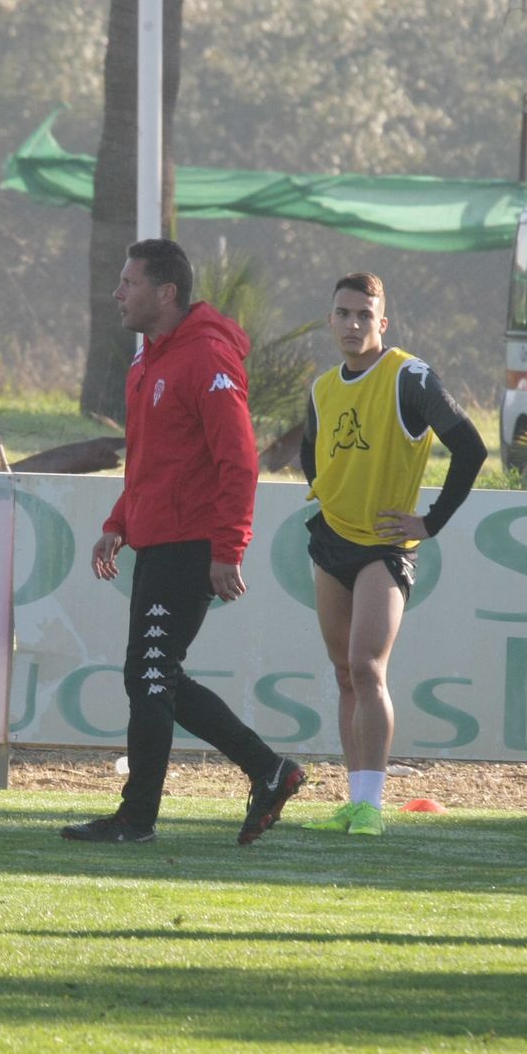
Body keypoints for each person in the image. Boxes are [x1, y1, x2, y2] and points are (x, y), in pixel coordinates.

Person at [62, 238, 304, 846]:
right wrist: (119, 522)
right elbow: (153, 462)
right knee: (155, 675)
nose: (117, 293)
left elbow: (240, 462)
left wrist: (229, 548)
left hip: (192, 544)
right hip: (158, 541)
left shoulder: (206, 358)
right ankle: (268, 770)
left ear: (165, 293)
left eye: (128, 282)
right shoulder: (147, 362)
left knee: (149, 674)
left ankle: (137, 817)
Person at [299, 272, 485, 836]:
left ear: (382, 323)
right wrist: (336, 497)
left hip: (386, 546)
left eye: (364, 315)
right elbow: (313, 458)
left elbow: (471, 447)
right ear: (330, 320)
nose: (353, 324)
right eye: (343, 314)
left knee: (365, 665)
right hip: (332, 540)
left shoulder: (409, 375)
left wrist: (430, 522)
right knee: (343, 673)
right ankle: (354, 801)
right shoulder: (323, 388)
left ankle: (373, 806)